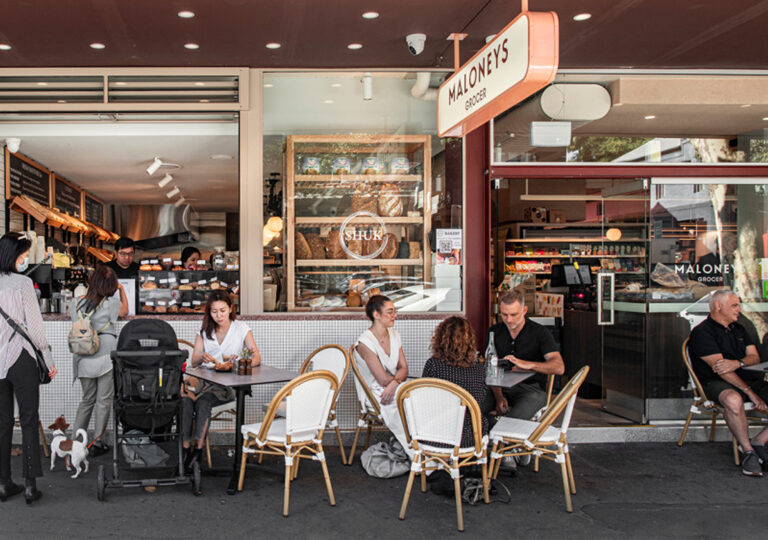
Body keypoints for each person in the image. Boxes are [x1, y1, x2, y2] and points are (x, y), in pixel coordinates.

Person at [0, 232, 57, 504]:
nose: (24, 260)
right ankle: (30, 485)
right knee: (29, 418)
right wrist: (48, 359)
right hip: (21, 358)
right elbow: (34, 328)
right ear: (14, 256)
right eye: (23, 256)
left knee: (1, 423)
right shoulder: (23, 283)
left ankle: (3, 483)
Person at [688, 289, 768, 476]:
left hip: (748, 378)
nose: (739, 310)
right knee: (733, 399)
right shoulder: (702, 332)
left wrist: (737, 363)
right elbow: (722, 372)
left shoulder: (740, 329)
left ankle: (759, 440)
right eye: (734, 305)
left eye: (739, 305)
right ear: (718, 306)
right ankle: (748, 451)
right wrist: (749, 392)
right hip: (715, 383)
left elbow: (754, 357)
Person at [183, 290, 260, 470]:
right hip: (203, 381)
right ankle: (186, 450)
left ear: (231, 309)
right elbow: (194, 361)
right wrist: (202, 358)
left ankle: (197, 452)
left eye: (223, 310)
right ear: (209, 312)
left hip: (227, 385)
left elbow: (257, 358)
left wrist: (238, 363)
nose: (219, 315)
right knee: (185, 402)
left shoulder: (241, 329)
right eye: (214, 311)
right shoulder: (204, 331)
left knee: (203, 403)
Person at [69, 265, 128, 457]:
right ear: (111, 285)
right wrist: (121, 290)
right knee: (103, 401)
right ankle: (97, 442)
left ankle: (76, 443)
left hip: (83, 356)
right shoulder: (111, 303)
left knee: (87, 400)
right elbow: (125, 312)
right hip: (105, 356)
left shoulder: (76, 302)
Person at [487, 290, 565, 420]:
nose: (509, 319)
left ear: (524, 310)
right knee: (472, 406)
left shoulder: (540, 332)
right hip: (499, 387)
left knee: (514, 420)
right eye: (504, 314)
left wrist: (529, 365)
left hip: (531, 389)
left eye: (514, 314)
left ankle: (503, 435)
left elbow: (559, 367)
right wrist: (499, 397)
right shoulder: (494, 332)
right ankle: (488, 433)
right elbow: (490, 368)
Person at [353, 295, 410, 454]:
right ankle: (415, 451)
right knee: (409, 402)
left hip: (394, 386)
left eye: (394, 311)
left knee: (416, 397)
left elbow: (404, 367)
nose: (395, 316)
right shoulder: (365, 343)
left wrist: (395, 383)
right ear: (376, 315)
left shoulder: (395, 335)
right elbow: (383, 379)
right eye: (390, 312)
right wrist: (395, 382)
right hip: (376, 393)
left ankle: (425, 449)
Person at [422, 316, 489, 447]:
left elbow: (425, 400)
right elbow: (481, 400)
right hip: (469, 438)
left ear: (440, 339)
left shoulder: (433, 365)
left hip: (435, 436)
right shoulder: (479, 370)